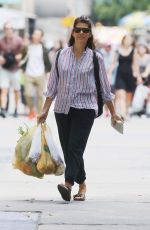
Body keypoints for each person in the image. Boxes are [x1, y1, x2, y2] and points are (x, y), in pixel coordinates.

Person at [37, 16, 123, 202]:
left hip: (85, 108)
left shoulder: (95, 58)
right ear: (73, 32)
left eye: (85, 30)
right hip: (62, 108)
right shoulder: (61, 55)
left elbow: (105, 88)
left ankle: (67, 184)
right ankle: (82, 184)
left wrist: (114, 113)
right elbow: (52, 85)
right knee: (70, 150)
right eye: (78, 30)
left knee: (75, 147)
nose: (81, 33)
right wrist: (44, 110)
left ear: (90, 34)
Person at [23, 28, 51, 119]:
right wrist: (22, 69)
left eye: (37, 34)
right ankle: (31, 110)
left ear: (41, 37)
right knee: (27, 94)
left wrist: (48, 72)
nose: (34, 36)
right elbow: (23, 58)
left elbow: (47, 62)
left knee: (40, 96)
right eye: (34, 34)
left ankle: (39, 114)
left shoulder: (44, 49)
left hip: (40, 74)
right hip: (29, 73)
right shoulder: (27, 47)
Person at [0, 22, 24, 118]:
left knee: (16, 90)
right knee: (4, 89)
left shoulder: (18, 40)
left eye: (9, 28)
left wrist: (20, 56)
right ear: (4, 30)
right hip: (5, 68)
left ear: (12, 30)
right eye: (6, 28)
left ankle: (16, 109)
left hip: (15, 68)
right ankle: (3, 109)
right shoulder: (1, 40)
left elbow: (24, 51)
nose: (8, 30)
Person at [114, 34, 137, 119]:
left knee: (128, 96)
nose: (128, 41)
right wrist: (108, 74)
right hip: (120, 75)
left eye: (130, 40)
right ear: (123, 40)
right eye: (127, 39)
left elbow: (135, 65)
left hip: (130, 76)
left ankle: (126, 111)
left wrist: (137, 75)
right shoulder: (118, 50)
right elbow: (113, 63)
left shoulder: (133, 51)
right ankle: (123, 114)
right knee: (121, 95)